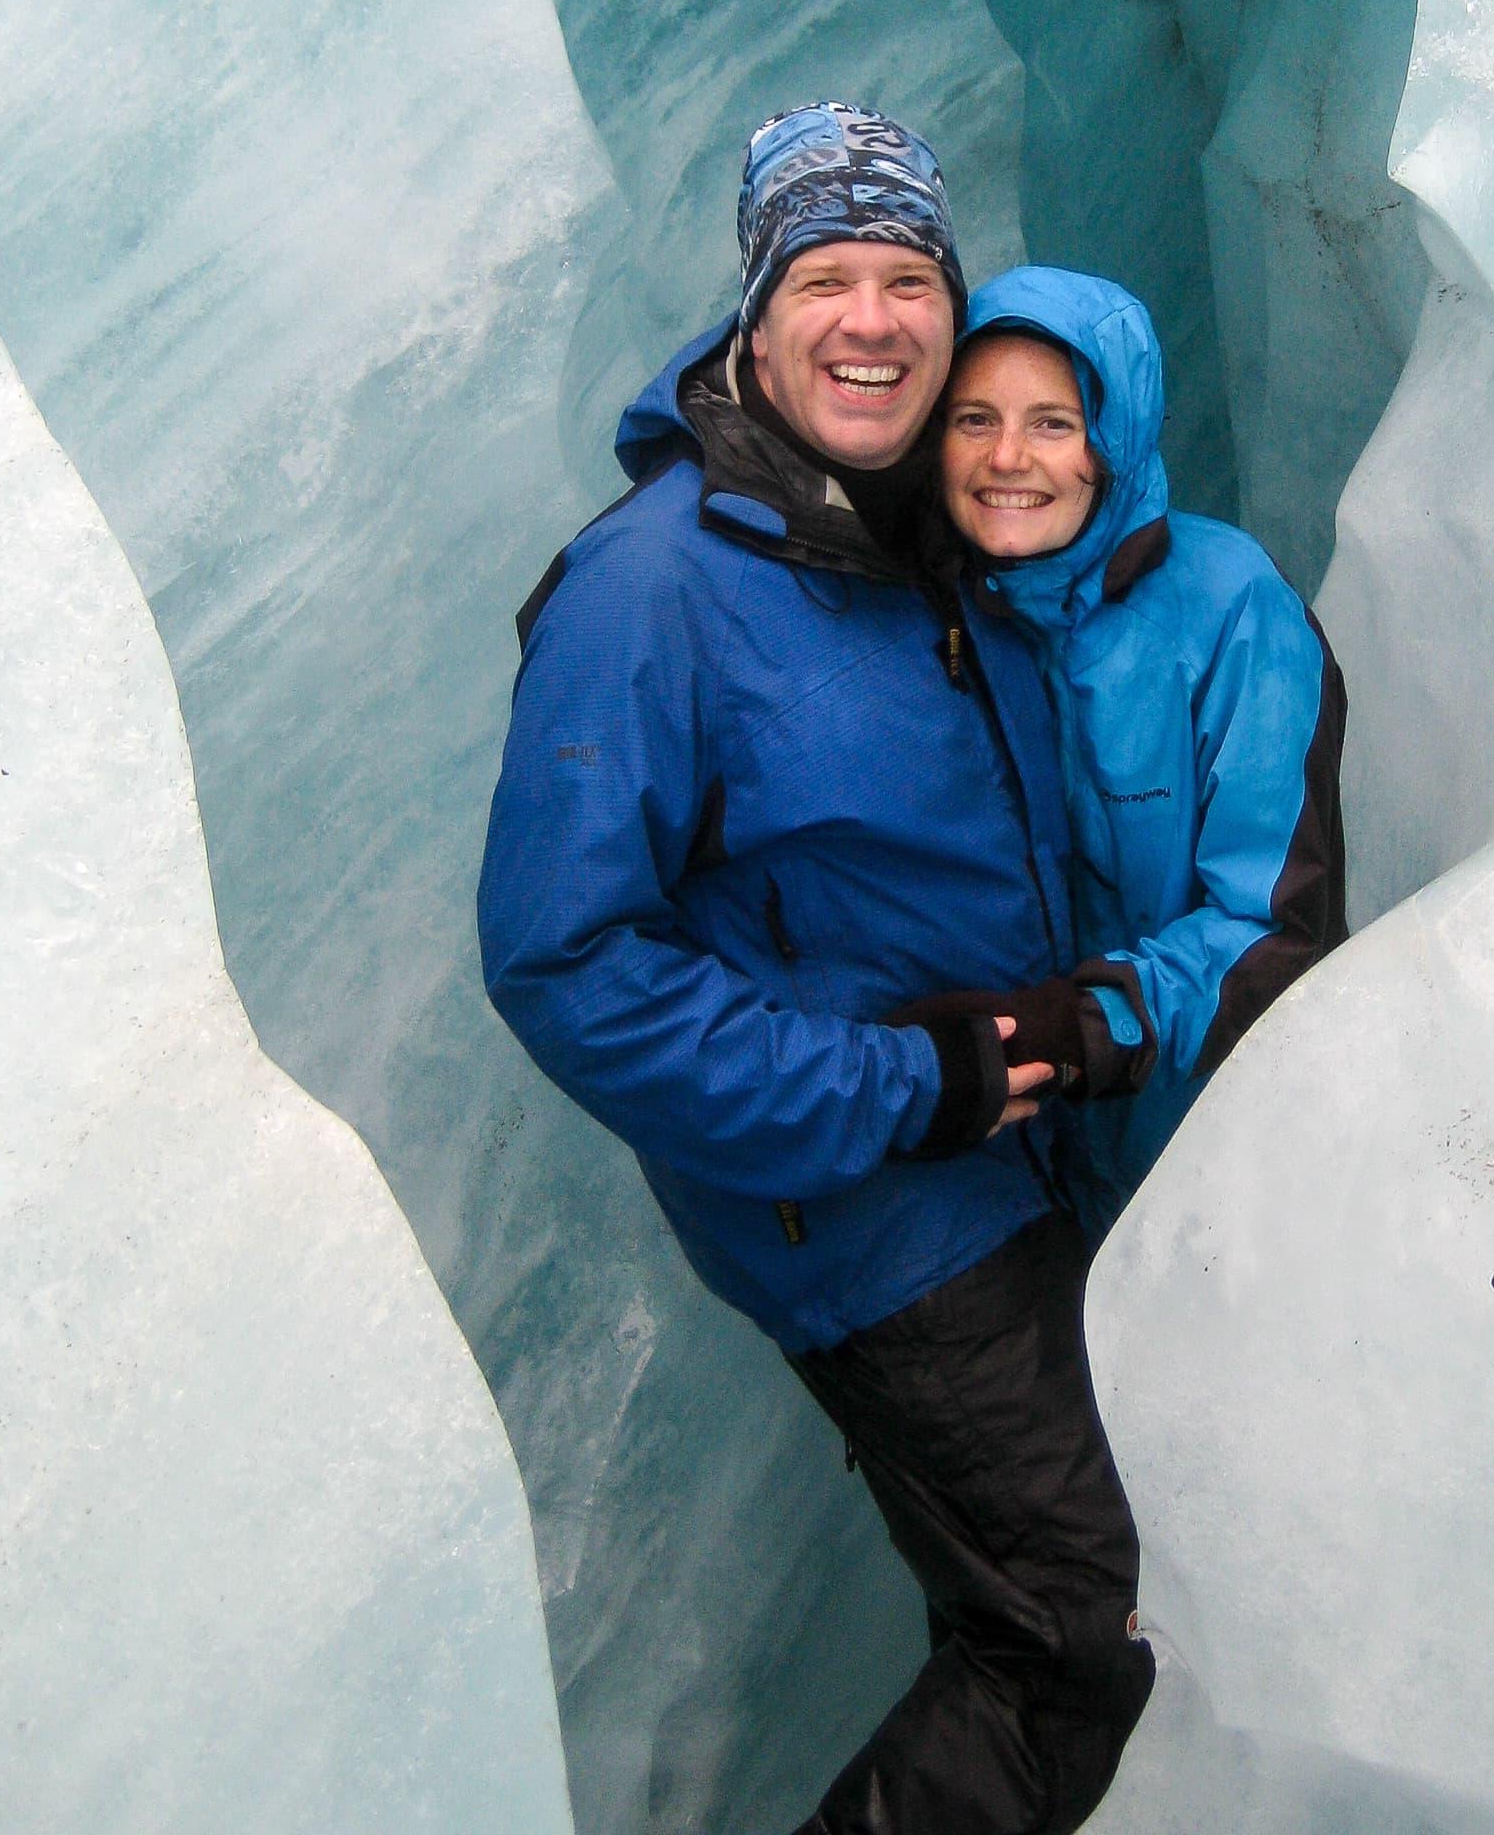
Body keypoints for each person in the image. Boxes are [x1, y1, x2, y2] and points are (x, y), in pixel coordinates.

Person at [477, 108, 1154, 1835]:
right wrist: (896, 1088)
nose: (874, 317)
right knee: (1059, 1640)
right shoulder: (652, 590)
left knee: (1075, 1599)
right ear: (756, 315)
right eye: (829, 276)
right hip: (869, 1210)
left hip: (1014, 1156)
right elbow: (566, 963)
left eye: (910, 276)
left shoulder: (914, 532)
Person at [896, 266, 1348, 1238]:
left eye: (1052, 423)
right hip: (1011, 1170)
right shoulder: (938, 618)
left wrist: (1088, 1027)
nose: (1007, 456)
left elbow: (1275, 926)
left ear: (1114, 440)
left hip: (1210, 1165)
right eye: (974, 418)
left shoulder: (1232, 610)